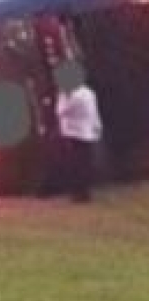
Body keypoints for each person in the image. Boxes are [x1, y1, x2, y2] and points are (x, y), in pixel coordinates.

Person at [54, 64, 103, 202]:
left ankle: (78, 193)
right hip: (88, 132)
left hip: (73, 133)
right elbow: (94, 112)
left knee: (75, 164)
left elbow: (60, 111)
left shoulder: (70, 93)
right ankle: (85, 192)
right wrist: (97, 127)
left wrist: (61, 96)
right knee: (85, 164)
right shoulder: (89, 93)